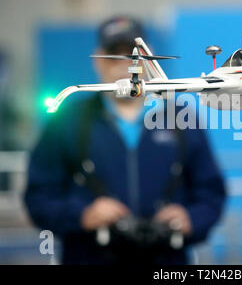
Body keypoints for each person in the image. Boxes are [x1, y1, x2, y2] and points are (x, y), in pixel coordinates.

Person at [24, 15, 226, 265]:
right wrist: (82, 215)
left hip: (166, 260)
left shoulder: (182, 119)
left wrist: (191, 218)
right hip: (90, 256)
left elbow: (211, 191)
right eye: (113, 54)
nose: (124, 63)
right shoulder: (66, 122)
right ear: (98, 60)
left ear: (148, 57)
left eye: (132, 54)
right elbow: (39, 196)